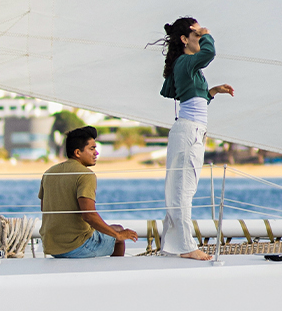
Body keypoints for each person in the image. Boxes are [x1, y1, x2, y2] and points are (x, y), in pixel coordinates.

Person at [157, 17, 235, 260]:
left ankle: (172, 246)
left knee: (179, 190)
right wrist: (207, 33)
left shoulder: (188, 66)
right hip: (189, 132)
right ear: (185, 39)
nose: (201, 39)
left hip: (192, 130)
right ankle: (186, 247)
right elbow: (210, 53)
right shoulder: (185, 62)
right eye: (196, 36)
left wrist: (213, 91)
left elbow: (193, 99)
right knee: (183, 190)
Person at [39, 126, 138, 258]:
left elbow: (44, 207)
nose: (96, 153)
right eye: (92, 149)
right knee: (118, 237)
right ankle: (115, 276)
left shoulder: (49, 173)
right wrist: (118, 236)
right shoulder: (85, 175)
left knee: (116, 228)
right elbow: (88, 215)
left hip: (52, 246)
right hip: (77, 246)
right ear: (77, 153)